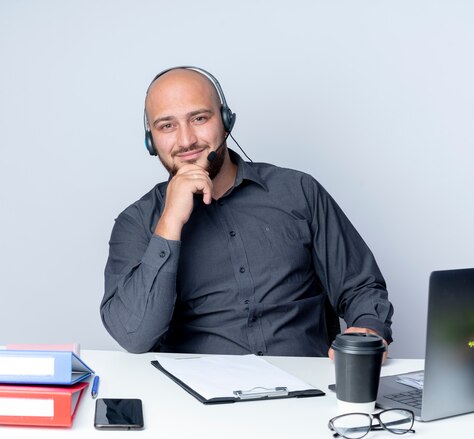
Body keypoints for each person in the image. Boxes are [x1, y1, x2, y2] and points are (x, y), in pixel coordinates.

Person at [101, 66, 393, 359]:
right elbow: (133, 334)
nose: (186, 140)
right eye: (167, 126)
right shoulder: (136, 223)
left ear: (226, 121)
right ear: (150, 140)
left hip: (309, 393)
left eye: (199, 118)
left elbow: (360, 286)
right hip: (193, 400)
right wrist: (170, 222)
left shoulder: (299, 191)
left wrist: (368, 328)